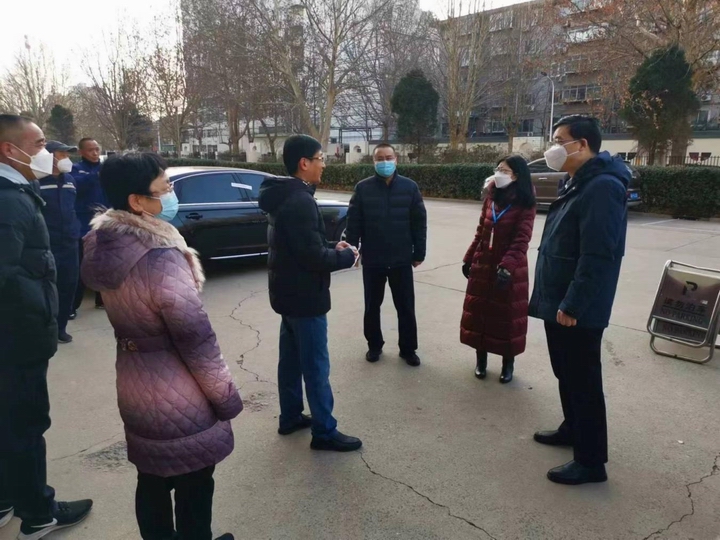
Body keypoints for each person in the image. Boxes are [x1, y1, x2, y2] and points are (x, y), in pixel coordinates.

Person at [80, 153, 241, 540]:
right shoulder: (161, 256)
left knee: (151, 477)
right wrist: (224, 396)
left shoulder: (103, 243)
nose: (170, 192)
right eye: (163, 186)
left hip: (133, 378)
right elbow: (196, 338)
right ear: (137, 201)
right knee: (195, 479)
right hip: (177, 387)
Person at [0, 115, 93, 539]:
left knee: (8, 422)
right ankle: (39, 513)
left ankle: (6, 498)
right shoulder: (9, 202)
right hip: (17, 339)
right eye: (39, 144)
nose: (48, 153)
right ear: (9, 149)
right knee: (25, 424)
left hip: (17, 333)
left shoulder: (18, 191)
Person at [529, 115, 629, 485]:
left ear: (582, 145)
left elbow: (598, 254)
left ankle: (590, 462)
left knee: (583, 380)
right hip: (560, 299)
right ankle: (572, 428)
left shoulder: (602, 187)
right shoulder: (578, 180)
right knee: (566, 372)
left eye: (559, 140)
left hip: (577, 307)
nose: (552, 148)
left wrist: (573, 304)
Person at [258, 134, 362, 452]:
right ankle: (324, 431)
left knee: (290, 362)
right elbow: (313, 258)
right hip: (305, 297)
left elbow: (301, 245)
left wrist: (332, 245)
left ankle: (290, 416)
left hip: (286, 294)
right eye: (320, 158)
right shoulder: (300, 200)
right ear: (304, 163)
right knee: (316, 367)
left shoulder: (283, 195)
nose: (323, 164)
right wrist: (347, 257)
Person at [345, 143, 427, 366]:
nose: (384, 162)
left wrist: (419, 253)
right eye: (379, 158)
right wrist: (351, 251)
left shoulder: (410, 187)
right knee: (372, 306)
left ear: (396, 159)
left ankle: (408, 349)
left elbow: (419, 223)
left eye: (388, 158)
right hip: (374, 259)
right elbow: (354, 223)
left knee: (406, 307)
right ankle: (374, 345)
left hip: (401, 259)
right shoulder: (363, 188)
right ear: (373, 161)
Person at [460, 156, 536, 384]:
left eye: (505, 170)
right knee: (480, 314)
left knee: (507, 318)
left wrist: (507, 266)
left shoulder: (525, 201)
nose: (499, 173)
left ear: (517, 176)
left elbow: (522, 238)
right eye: (498, 168)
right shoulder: (491, 197)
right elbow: (480, 232)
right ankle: (481, 360)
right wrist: (469, 257)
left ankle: (507, 364)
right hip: (483, 264)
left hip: (509, 268)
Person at [39, 140, 81, 344]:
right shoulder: (37, 181)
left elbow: (75, 207)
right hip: (48, 243)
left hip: (70, 242)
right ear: (49, 157)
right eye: (61, 154)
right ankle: (46, 328)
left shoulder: (70, 180)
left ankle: (61, 328)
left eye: (67, 154)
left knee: (68, 285)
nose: (66, 158)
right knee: (47, 287)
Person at [70, 137, 105, 315]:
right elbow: (76, 186)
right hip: (83, 224)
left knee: (103, 263)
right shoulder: (75, 169)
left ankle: (102, 300)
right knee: (81, 265)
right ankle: (72, 306)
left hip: (104, 222)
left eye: (97, 149)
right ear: (81, 152)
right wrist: (94, 177)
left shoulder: (106, 169)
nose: (95, 153)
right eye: (90, 150)